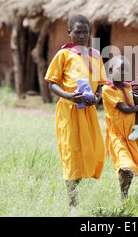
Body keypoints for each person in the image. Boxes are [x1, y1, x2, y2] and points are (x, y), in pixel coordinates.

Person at [44, 14, 107, 208]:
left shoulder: (95, 56)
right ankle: (73, 204)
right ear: (69, 32)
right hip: (69, 110)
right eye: (77, 32)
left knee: (92, 150)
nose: (81, 35)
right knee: (71, 153)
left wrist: (97, 97)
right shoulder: (63, 55)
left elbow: (101, 84)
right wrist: (69, 95)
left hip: (88, 112)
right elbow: (52, 84)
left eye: (85, 32)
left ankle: (79, 189)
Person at [102, 55, 138, 200]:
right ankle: (123, 196)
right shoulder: (107, 89)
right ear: (111, 69)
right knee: (124, 165)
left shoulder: (129, 87)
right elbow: (125, 109)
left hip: (132, 132)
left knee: (131, 166)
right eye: (121, 69)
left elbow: (135, 104)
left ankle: (125, 195)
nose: (124, 73)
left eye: (127, 70)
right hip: (117, 134)